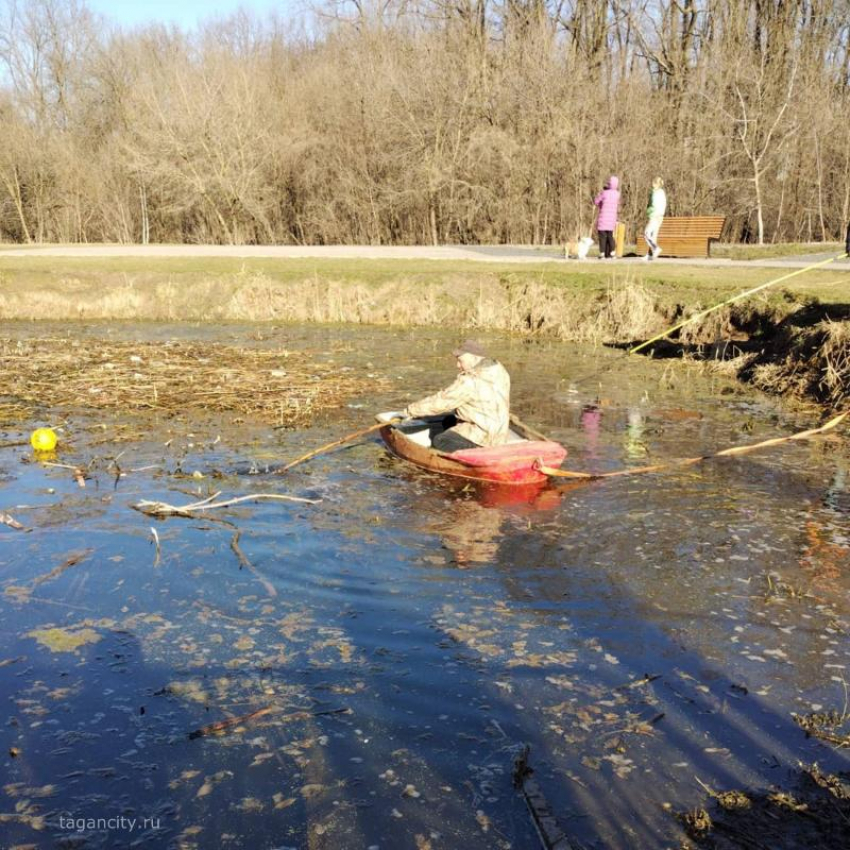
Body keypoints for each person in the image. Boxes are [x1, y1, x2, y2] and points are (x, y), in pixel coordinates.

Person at [402, 340, 510, 452]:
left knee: (440, 440)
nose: (457, 365)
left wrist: (410, 411)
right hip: (500, 432)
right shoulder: (499, 370)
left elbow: (440, 402)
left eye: (460, 360)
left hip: (484, 437)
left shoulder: (469, 382)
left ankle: (478, 452)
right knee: (448, 421)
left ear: (474, 358)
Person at [594, 175, 621, 259]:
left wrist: (599, 204)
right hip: (612, 219)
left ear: (609, 184)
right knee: (610, 236)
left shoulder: (604, 193)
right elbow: (618, 204)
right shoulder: (617, 194)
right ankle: (612, 252)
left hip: (603, 219)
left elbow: (597, 201)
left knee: (602, 237)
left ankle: (602, 253)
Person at [643, 177, 667, 261]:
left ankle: (655, 248)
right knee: (653, 236)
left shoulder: (656, 193)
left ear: (657, 184)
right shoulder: (662, 193)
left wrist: (650, 211)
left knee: (646, 233)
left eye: (653, 183)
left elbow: (653, 205)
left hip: (655, 216)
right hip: (660, 216)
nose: (652, 184)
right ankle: (651, 255)